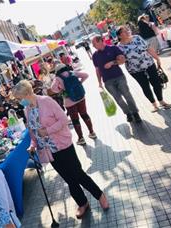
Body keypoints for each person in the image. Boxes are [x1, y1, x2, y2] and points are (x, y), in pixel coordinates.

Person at [12, 80, 109, 218]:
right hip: (48, 151)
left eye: (19, 98)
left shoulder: (46, 101)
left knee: (78, 174)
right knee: (69, 179)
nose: (19, 102)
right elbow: (32, 131)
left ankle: (99, 195)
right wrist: (32, 144)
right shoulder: (27, 110)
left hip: (63, 145)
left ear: (27, 93)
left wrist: (48, 131)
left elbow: (63, 120)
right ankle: (82, 203)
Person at [117, 26, 171, 112]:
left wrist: (157, 59)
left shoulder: (137, 38)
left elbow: (148, 48)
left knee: (157, 83)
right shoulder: (119, 47)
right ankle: (154, 105)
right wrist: (118, 61)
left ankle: (161, 101)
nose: (128, 32)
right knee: (145, 87)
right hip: (135, 71)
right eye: (124, 31)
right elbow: (121, 61)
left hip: (149, 64)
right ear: (120, 36)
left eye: (127, 30)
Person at [91, 35, 142, 123]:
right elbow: (97, 69)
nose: (93, 46)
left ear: (100, 41)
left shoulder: (113, 48)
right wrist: (99, 83)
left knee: (127, 95)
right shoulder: (95, 55)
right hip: (107, 81)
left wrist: (112, 62)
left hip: (119, 77)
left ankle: (135, 113)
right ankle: (128, 113)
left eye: (94, 43)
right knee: (118, 99)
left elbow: (123, 60)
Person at [51, 64, 97, 145]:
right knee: (85, 114)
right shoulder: (72, 72)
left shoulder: (57, 78)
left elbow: (53, 88)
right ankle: (92, 132)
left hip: (69, 101)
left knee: (75, 120)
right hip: (81, 98)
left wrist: (60, 90)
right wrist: (80, 83)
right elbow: (86, 75)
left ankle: (81, 138)